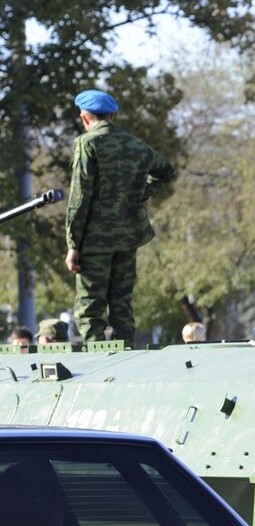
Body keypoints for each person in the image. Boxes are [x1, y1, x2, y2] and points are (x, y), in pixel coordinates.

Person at [64, 89, 176, 345]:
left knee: (90, 305)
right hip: (128, 237)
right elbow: (166, 171)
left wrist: (73, 244)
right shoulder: (136, 145)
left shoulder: (87, 143)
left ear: (84, 118)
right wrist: (141, 192)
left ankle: (97, 361)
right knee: (121, 301)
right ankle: (125, 354)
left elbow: (79, 198)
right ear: (113, 115)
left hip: (95, 240)